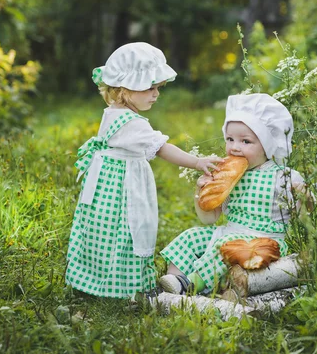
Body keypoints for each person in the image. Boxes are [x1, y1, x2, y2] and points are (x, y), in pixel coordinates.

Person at [65, 42, 221, 299]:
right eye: (150, 88)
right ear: (125, 89)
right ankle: (124, 286)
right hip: (123, 188)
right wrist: (196, 162)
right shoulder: (132, 123)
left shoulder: (114, 112)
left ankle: (93, 280)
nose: (156, 94)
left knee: (102, 230)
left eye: (158, 88)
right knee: (127, 227)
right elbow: (162, 148)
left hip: (107, 182)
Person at [159, 93, 306, 295]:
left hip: (263, 240)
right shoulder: (227, 174)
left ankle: (191, 284)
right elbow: (210, 218)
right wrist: (200, 193)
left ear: (267, 145)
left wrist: (303, 198)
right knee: (191, 236)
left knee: (225, 246)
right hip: (228, 232)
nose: (235, 147)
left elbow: (301, 218)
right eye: (230, 139)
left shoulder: (283, 177)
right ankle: (173, 282)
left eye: (246, 142)